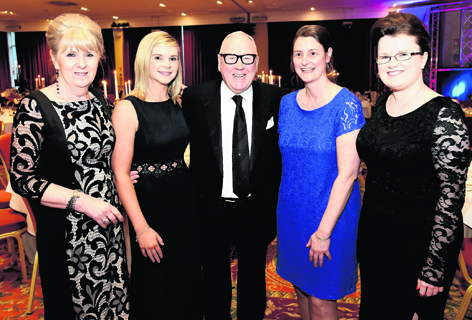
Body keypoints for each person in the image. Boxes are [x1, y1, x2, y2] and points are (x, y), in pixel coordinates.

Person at [9, 13, 129, 319]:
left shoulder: (101, 102)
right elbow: (23, 179)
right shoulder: (35, 106)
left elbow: (100, 158)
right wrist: (83, 201)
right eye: (71, 54)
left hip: (108, 230)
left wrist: (121, 175)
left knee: (113, 306)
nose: (81, 63)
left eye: (89, 54)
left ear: (100, 57)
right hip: (67, 235)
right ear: (53, 58)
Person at [356, 12, 470, 319]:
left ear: (423, 58)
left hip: (420, 247)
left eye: (403, 54)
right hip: (375, 237)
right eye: (384, 56)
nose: (392, 63)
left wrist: (434, 267)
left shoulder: (445, 117)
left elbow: (451, 200)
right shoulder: (382, 102)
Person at [181, 31, 287, 320]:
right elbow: (173, 139)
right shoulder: (194, 98)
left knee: (253, 278)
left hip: (256, 208)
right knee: (213, 279)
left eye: (247, 58)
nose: (239, 66)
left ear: (257, 62)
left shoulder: (277, 98)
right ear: (219, 62)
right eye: (231, 58)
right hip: (210, 208)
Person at [276, 25, 365, 320]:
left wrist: (324, 232)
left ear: (328, 55)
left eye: (313, 52)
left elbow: (348, 174)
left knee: (321, 299)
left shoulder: (346, 104)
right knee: (300, 288)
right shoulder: (287, 104)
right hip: (292, 215)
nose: (305, 60)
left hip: (331, 217)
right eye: (298, 54)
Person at [112, 31, 202, 318]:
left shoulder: (181, 100)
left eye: (173, 58)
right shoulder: (128, 107)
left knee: (186, 279)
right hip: (150, 207)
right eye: (159, 57)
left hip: (184, 200)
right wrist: (141, 228)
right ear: (143, 61)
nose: (167, 64)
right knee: (156, 286)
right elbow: (120, 172)